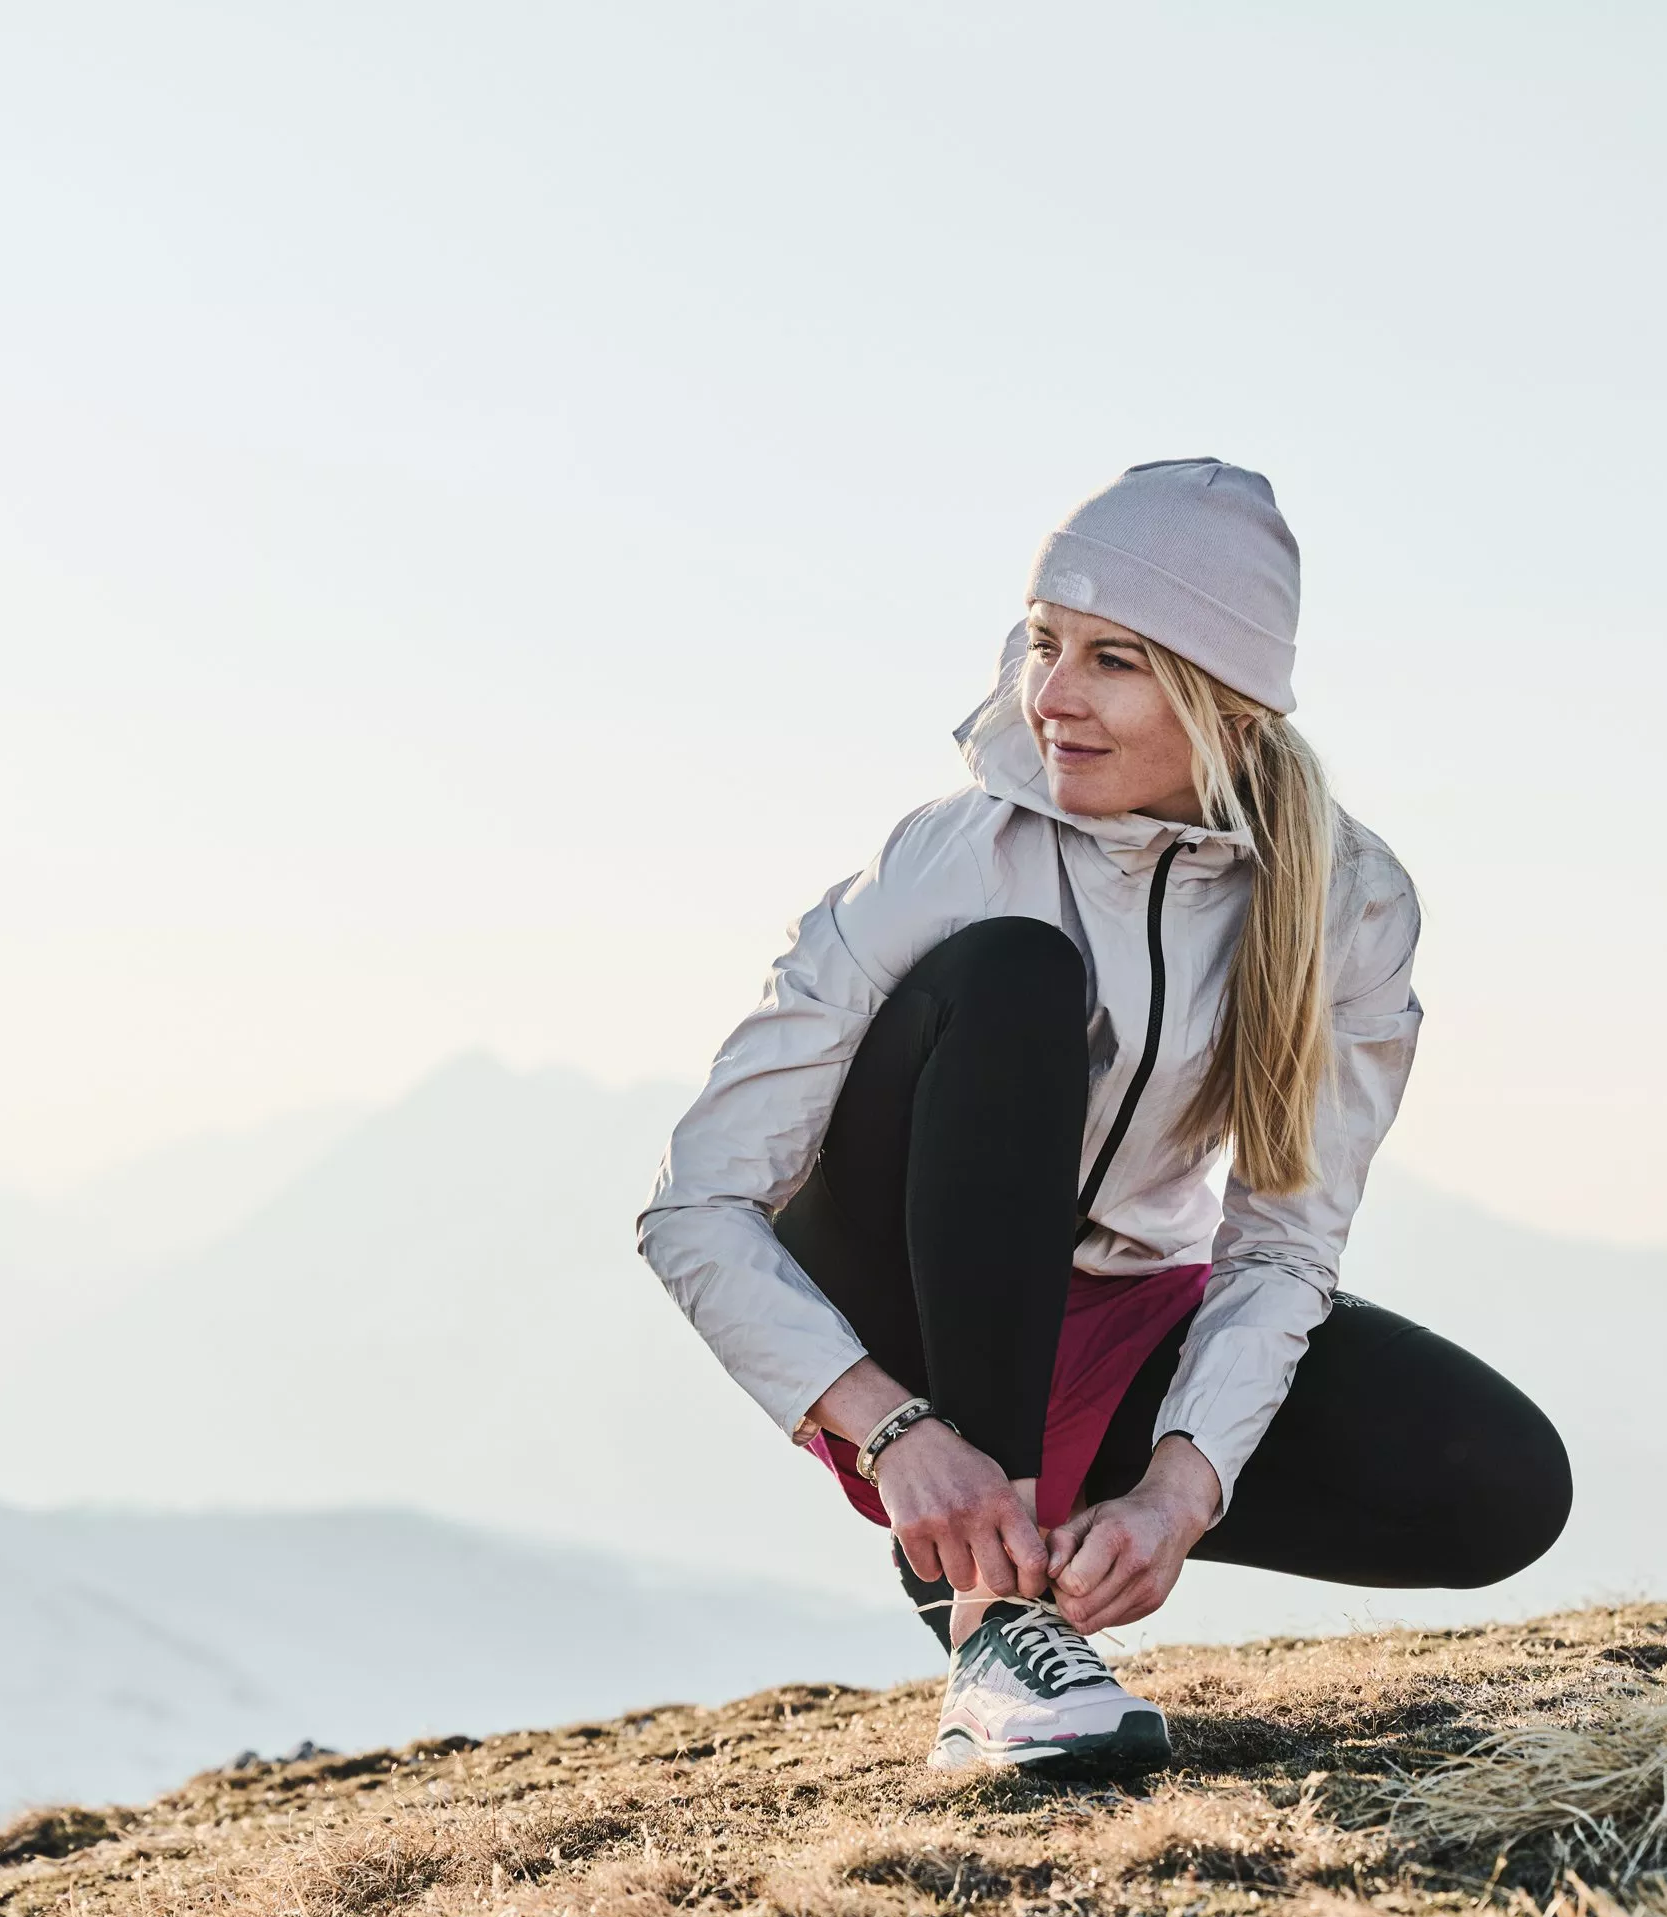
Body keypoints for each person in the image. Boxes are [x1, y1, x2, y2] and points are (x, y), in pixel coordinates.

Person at [636, 459, 1571, 1780]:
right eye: (1043, 644)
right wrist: (900, 1435)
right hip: (898, 1319)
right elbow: (698, 1207)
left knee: (1503, 1481)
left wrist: (1179, 1490)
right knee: (1013, 973)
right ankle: (999, 1625)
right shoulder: (955, 858)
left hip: (1122, 1320)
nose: (1054, 699)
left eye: (1114, 660)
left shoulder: (1346, 903)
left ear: (1231, 706)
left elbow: (1285, 1250)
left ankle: (1037, 1562)